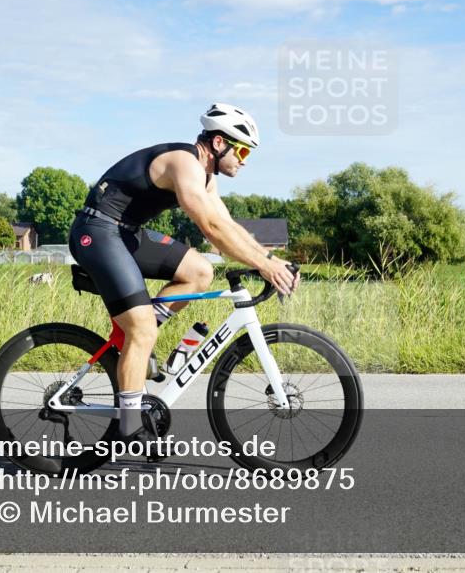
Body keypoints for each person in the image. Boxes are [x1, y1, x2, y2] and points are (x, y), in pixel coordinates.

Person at [68, 103, 299, 440]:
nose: (245, 160)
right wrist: (263, 265)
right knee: (143, 330)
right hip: (97, 232)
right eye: (243, 150)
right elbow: (209, 227)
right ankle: (129, 430)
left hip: (125, 233)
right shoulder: (184, 162)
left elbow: (226, 224)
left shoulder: (206, 177)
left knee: (200, 271)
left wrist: (268, 258)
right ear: (219, 143)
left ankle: (136, 344)